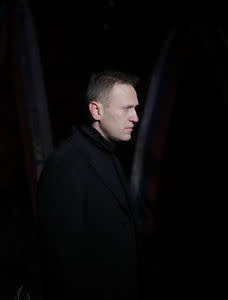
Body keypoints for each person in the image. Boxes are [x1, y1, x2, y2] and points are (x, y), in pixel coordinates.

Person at [37, 71, 141, 300]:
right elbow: (61, 263)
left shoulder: (111, 155)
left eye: (135, 108)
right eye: (126, 108)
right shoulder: (65, 164)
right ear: (96, 110)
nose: (135, 117)